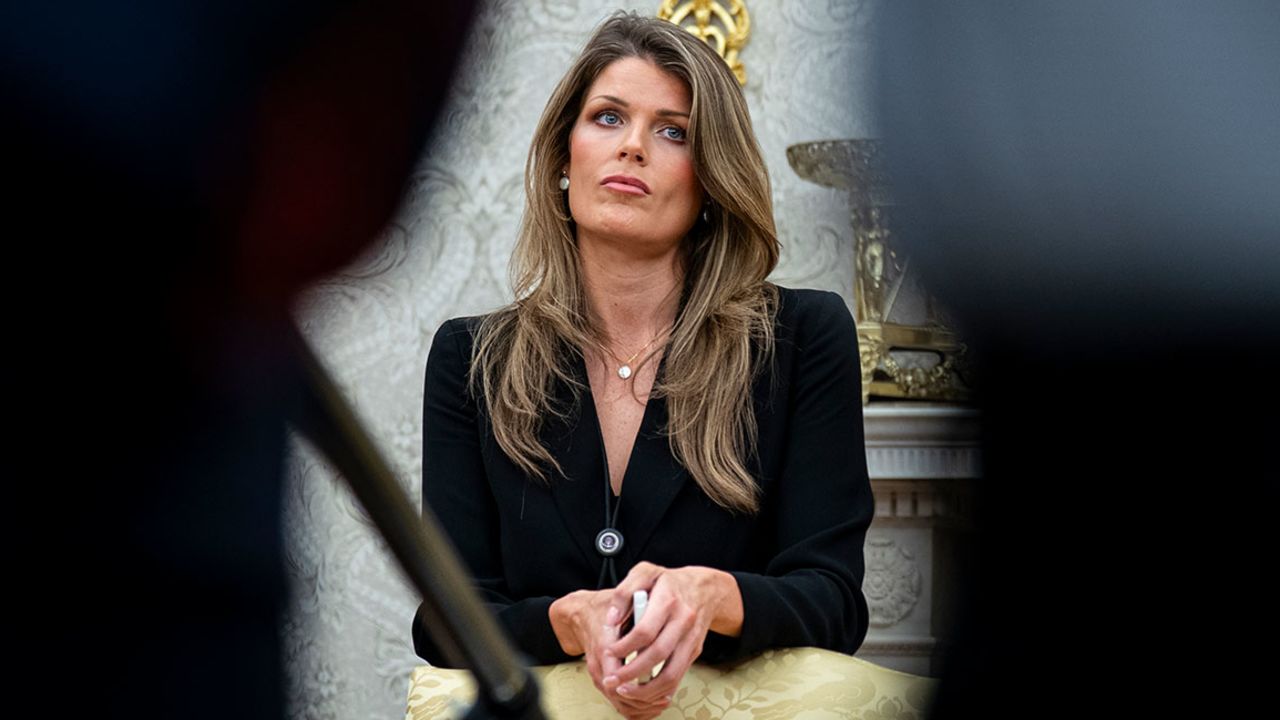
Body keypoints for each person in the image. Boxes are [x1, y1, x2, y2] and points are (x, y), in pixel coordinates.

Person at [412, 12, 873, 719]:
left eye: (672, 131)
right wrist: (566, 621)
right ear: (564, 158)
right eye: (607, 118)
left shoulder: (804, 337)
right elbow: (446, 620)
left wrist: (711, 598)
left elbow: (835, 601)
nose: (632, 146)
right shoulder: (471, 358)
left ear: (711, 182)